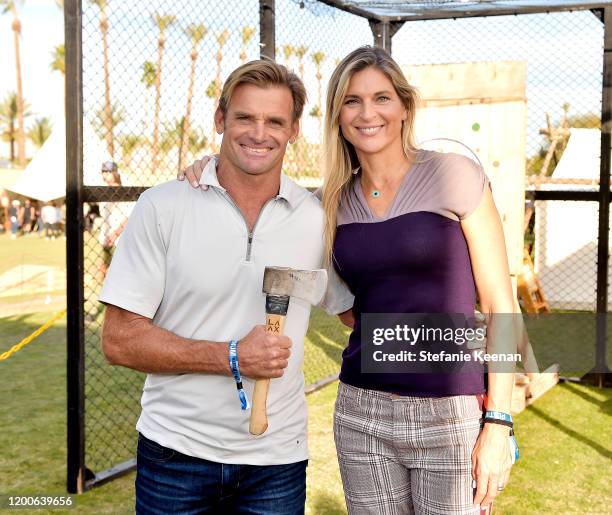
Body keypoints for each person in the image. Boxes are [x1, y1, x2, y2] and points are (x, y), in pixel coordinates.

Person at [180, 46, 520, 514]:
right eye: (351, 101)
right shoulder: (329, 205)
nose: (367, 113)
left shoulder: (454, 175)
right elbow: (346, 308)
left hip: (451, 413)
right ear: (337, 116)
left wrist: (498, 422)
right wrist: (206, 168)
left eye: (381, 98)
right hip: (362, 413)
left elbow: (503, 304)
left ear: (404, 106)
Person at [99, 60, 325, 514]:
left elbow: (357, 310)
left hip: (276, 462)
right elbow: (119, 340)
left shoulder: (317, 219)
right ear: (220, 120)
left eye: (275, 121)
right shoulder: (163, 206)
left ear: (294, 130)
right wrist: (232, 356)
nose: (259, 133)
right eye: (245, 117)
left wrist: (472, 356)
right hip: (175, 454)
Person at [98, 161, 128, 279]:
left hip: (119, 239)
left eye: (108, 171)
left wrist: (114, 234)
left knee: (118, 276)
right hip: (105, 237)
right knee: (102, 272)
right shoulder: (103, 192)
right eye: (103, 171)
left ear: (115, 173)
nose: (105, 174)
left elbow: (128, 217)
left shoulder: (121, 192)